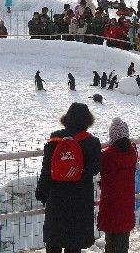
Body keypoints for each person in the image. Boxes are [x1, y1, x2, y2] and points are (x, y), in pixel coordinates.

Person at [36, 103, 101, 253]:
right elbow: (95, 168)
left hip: (56, 197)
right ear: (87, 120)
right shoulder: (92, 142)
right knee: (74, 244)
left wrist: (42, 192)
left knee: (54, 242)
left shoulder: (56, 138)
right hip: (80, 199)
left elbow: (47, 168)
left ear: (67, 118)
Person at [98, 118, 137, 253]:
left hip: (111, 204)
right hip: (126, 204)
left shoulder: (107, 156)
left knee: (111, 241)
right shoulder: (132, 153)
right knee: (123, 240)